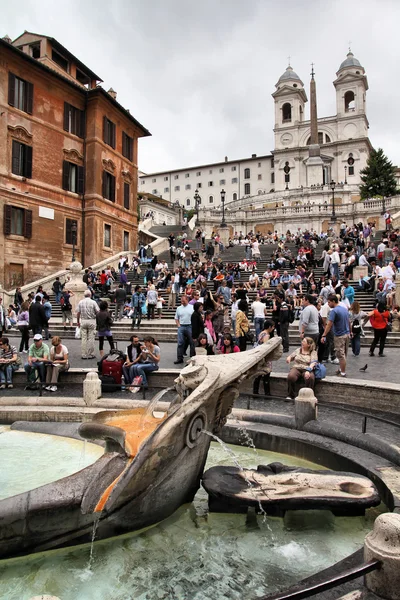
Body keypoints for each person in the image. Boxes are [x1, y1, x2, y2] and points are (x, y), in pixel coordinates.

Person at [320, 294, 350, 377]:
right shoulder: (344, 309)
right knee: (344, 354)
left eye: (329, 302)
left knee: (340, 355)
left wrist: (324, 335)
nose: (328, 304)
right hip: (346, 334)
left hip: (339, 335)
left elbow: (329, 324)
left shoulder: (334, 311)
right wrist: (350, 332)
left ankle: (343, 372)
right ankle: (341, 369)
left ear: (333, 301)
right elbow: (349, 321)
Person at [253, 320, 275, 396]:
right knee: (266, 374)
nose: (273, 328)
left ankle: (255, 392)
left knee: (258, 375)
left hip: (259, 357)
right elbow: (266, 346)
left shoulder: (261, 333)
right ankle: (267, 393)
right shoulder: (266, 335)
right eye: (272, 326)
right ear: (269, 327)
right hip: (265, 358)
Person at [76, 289, 100, 360]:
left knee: (83, 338)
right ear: (90, 295)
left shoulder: (80, 302)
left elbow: (78, 313)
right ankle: (90, 354)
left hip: (83, 320)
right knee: (91, 338)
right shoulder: (93, 302)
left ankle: (83, 354)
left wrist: (78, 322)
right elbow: (97, 311)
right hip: (92, 320)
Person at [174, 295, 195, 364]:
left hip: (190, 326)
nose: (182, 302)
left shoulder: (192, 307)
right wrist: (178, 325)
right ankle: (179, 358)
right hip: (182, 326)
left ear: (187, 300)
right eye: (181, 300)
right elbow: (176, 318)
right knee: (180, 342)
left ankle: (192, 358)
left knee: (192, 342)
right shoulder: (179, 308)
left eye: (183, 300)